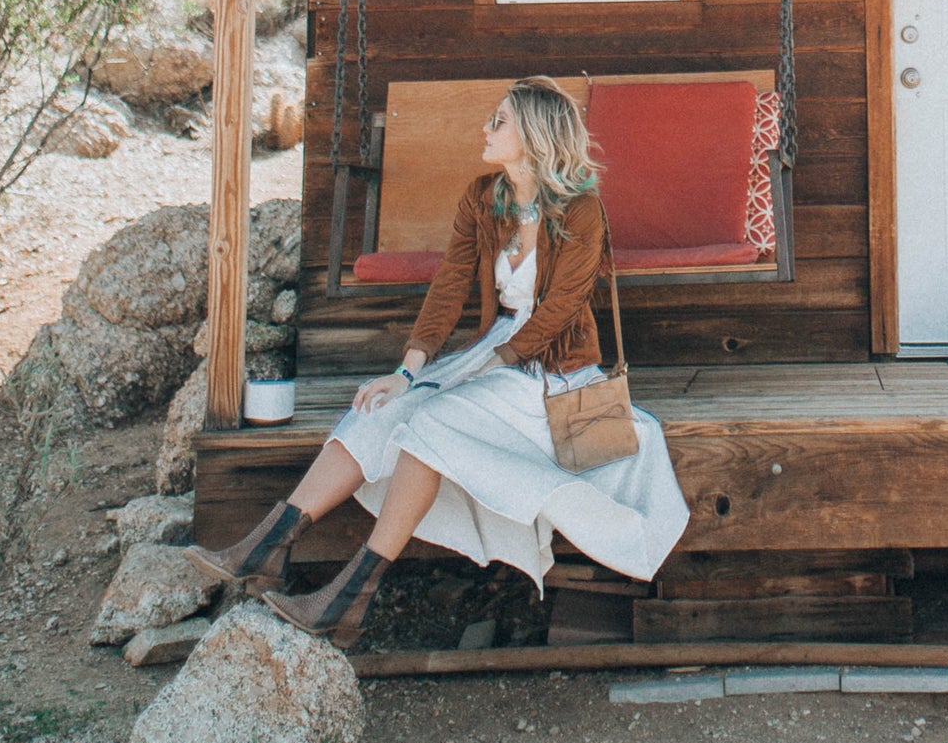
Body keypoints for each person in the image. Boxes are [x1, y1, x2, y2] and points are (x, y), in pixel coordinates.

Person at [190, 78, 689, 646]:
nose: (486, 129)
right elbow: (449, 286)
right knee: (379, 408)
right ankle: (268, 547)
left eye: (498, 121)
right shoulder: (484, 197)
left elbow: (560, 309)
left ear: (532, 134)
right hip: (490, 355)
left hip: (548, 374)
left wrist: (490, 364)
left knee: (429, 424)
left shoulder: (580, 209)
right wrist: (406, 370)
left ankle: (350, 596)